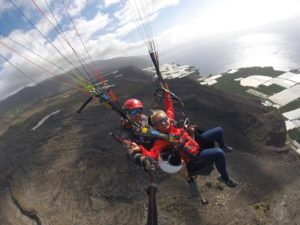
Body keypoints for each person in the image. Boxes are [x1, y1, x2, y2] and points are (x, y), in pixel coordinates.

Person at [129, 84, 237, 196]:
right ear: (156, 127)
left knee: (219, 130)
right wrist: (139, 149)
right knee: (219, 153)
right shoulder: (162, 140)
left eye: (164, 119)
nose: (164, 122)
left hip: (195, 143)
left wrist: (166, 92)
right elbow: (152, 154)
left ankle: (223, 145)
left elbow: (169, 108)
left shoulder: (170, 122)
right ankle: (225, 178)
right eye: (160, 122)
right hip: (194, 156)